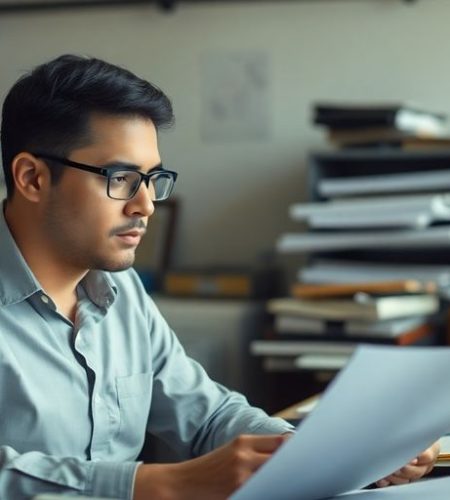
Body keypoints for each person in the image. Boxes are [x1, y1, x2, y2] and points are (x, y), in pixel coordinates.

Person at [0, 54, 439, 500]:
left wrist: (331, 452)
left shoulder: (121, 290)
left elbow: (206, 415)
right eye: (121, 178)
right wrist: (161, 483)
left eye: (153, 179)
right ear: (32, 178)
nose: (146, 205)